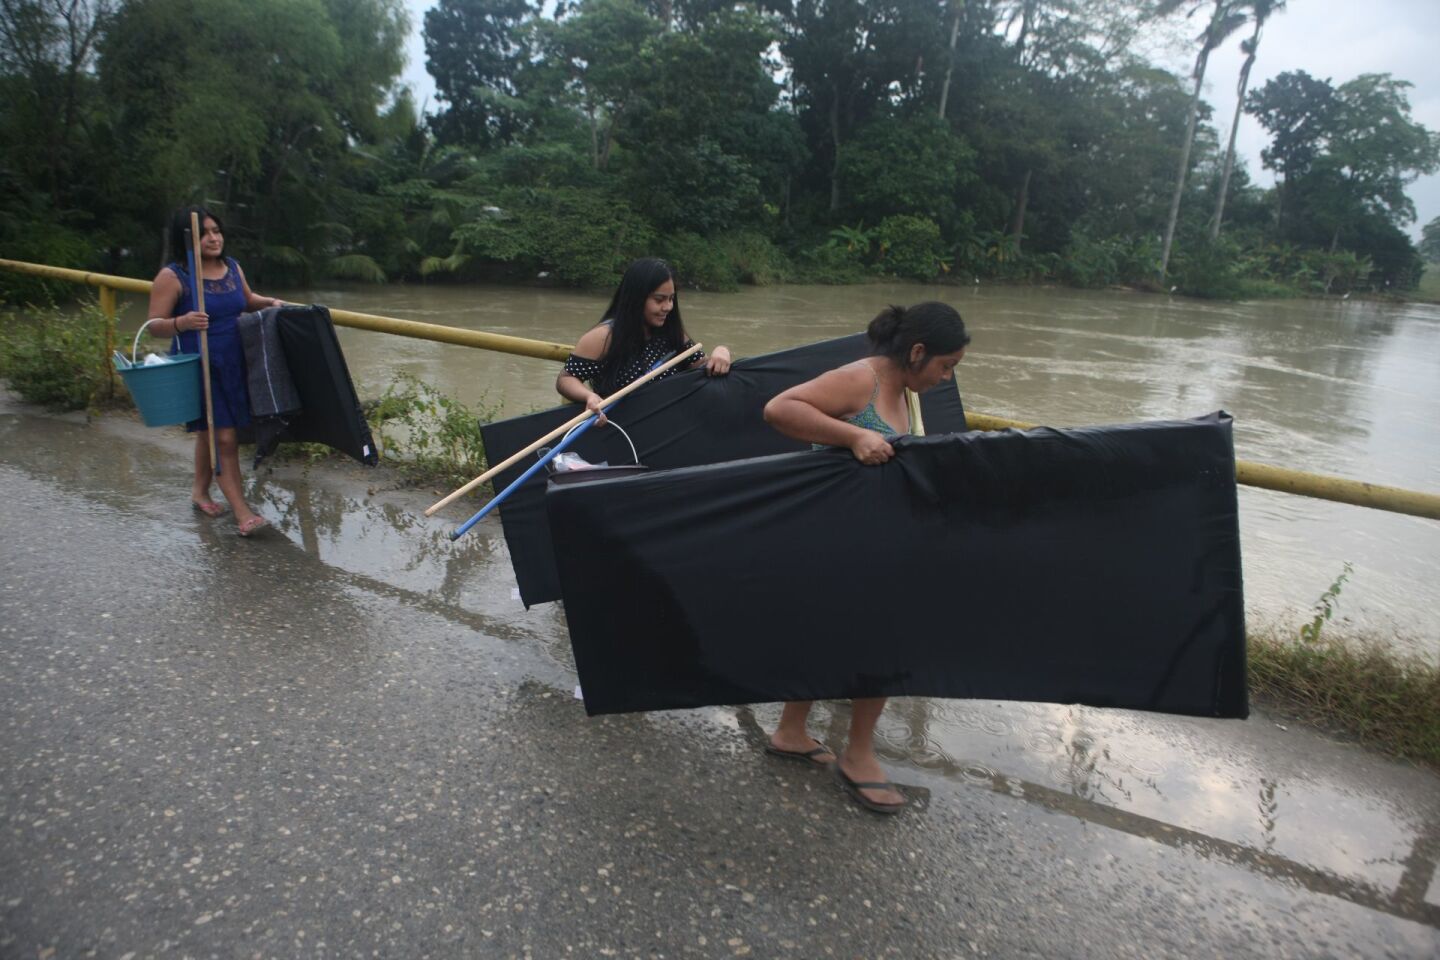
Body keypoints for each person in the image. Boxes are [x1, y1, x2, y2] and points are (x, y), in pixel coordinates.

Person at [760, 301, 971, 814]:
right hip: (841, 538)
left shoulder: (908, 391)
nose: (946, 378)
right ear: (917, 351)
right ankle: (857, 755)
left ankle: (791, 730)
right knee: (882, 644)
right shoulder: (863, 380)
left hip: (871, 540)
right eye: (945, 366)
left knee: (835, 637)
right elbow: (779, 409)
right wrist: (855, 435)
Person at [145, 206, 283, 536]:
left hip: (235, 364)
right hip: (201, 366)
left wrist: (271, 304)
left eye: (217, 231)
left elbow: (247, 300)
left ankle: (198, 491)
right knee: (224, 437)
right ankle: (243, 514)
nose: (213, 237)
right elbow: (153, 326)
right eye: (204, 233)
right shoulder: (173, 276)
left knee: (212, 431)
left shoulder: (232, 267)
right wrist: (182, 322)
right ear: (187, 238)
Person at [556, 258, 732, 424]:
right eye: (659, 300)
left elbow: (701, 366)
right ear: (636, 298)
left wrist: (721, 352)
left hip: (667, 425)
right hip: (620, 428)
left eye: (671, 299)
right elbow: (566, 379)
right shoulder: (603, 337)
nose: (668, 307)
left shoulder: (671, 332)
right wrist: (589, 397)